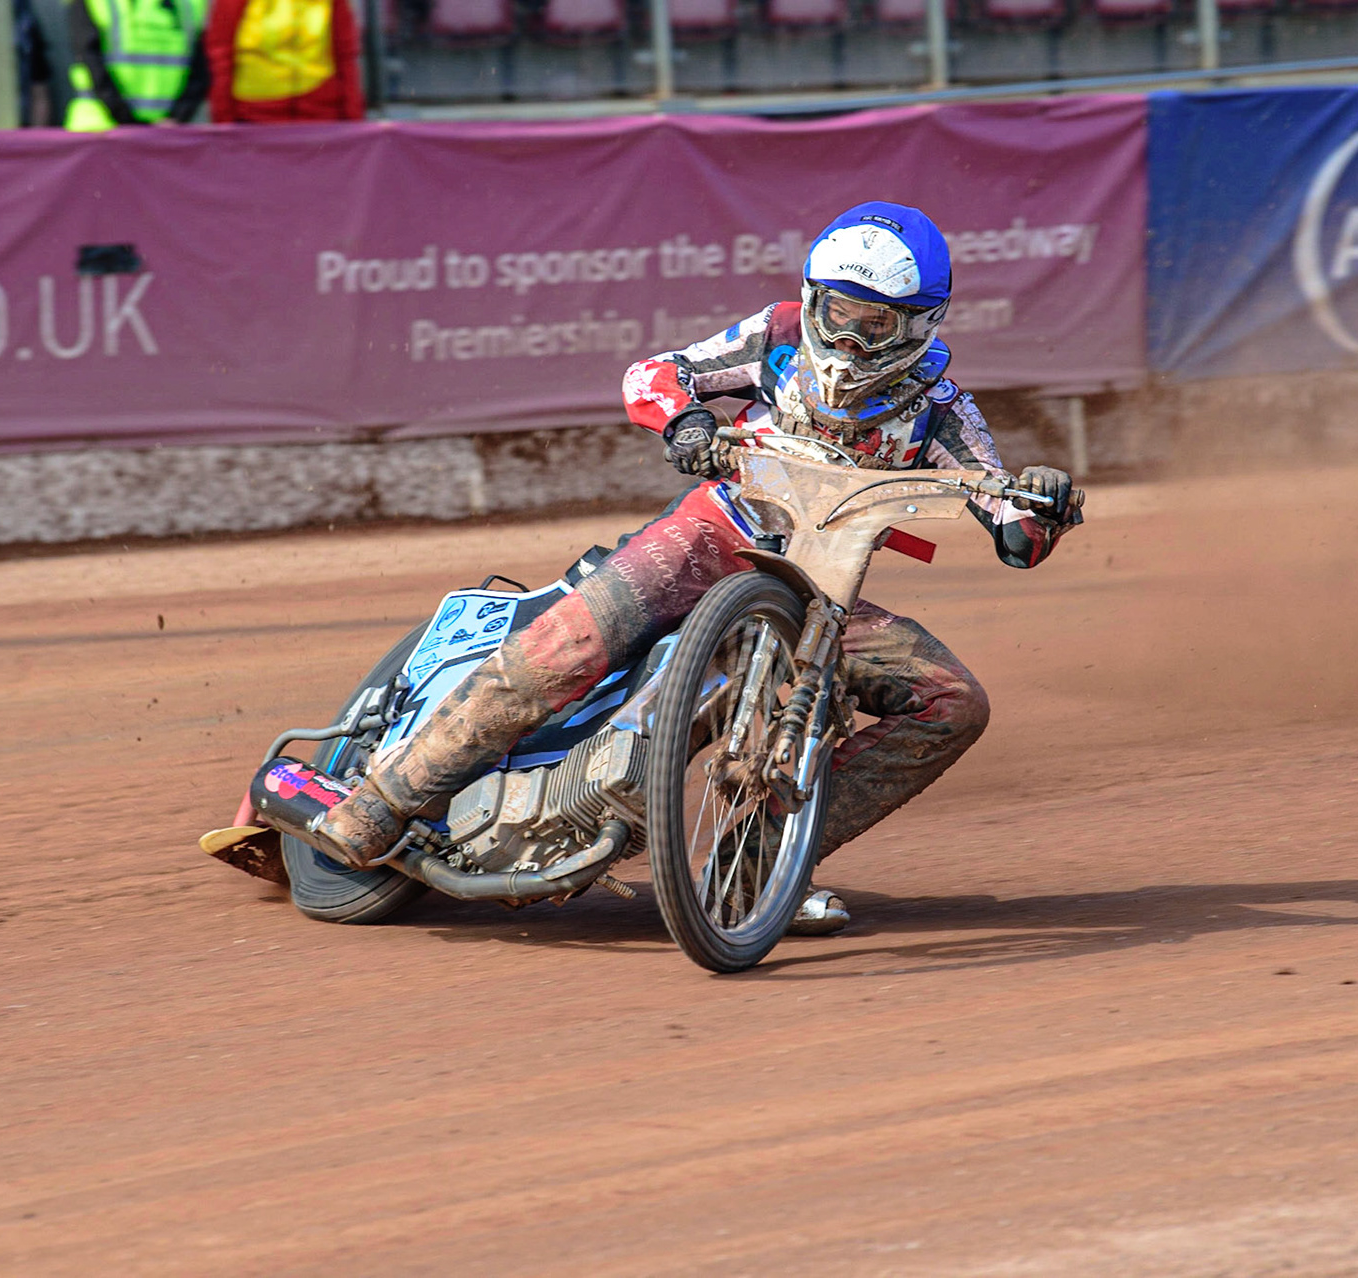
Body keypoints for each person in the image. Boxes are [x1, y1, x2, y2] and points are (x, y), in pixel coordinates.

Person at [308, 201, 1082, 935]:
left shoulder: (946, 413)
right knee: (569, 643)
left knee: (953, 703)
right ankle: (382, 800)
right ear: (812, 300)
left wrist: (1043, 503)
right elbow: (655, 373)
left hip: (825, 597)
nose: (845, 340)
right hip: (712, 534)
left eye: (871, 323)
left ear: (918, 324)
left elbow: (1016, 533)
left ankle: (756, 870)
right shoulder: (778, 333)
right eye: (836, 314)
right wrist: (685, 421)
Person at [204, 0, 364, 125]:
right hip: (253, 120)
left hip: (322, 119)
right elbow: (221, 55)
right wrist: (224, 123)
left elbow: (346, 55)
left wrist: (353, 121)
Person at [62, 0, 211, 131]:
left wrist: (176, 118)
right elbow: (91, 61)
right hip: (101, 127)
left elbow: (200, 69)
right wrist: (131, 121)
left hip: (163, 133)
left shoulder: (190, 4)